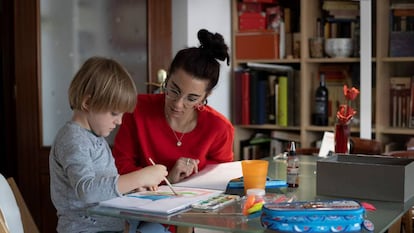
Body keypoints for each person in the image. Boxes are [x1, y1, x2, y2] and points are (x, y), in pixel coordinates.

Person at [49, 56, 170, 233]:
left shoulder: (95, 138)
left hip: (112, 226)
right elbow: (87, 191)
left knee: (156, 228)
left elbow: (104, 187)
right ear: (88, 103)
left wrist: (132, 188)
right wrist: (140, 177)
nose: (119, 121)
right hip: (85, 230)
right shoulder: (73, 139)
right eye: (114, 113)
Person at [112, 29, 234, 184]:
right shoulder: (136, 108)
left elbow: (218, 180)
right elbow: (120, 167)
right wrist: (167, 179)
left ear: (205, 96)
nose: (178, 104)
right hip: (138, 201)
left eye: (192, 98)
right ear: (167, 78)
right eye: (174, 90)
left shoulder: (219, 128)